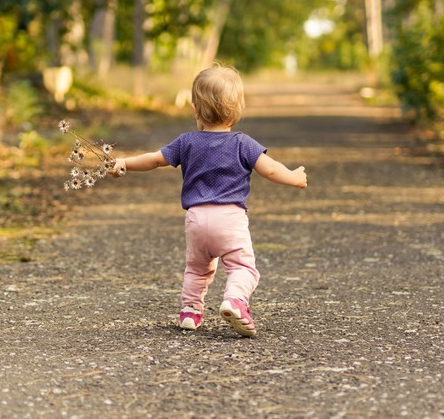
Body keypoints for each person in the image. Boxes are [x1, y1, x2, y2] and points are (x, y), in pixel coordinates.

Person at [110, 63, 307, 337]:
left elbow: (154, 160)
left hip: (196, 219)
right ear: (238, 108)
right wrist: (295, 176)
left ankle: (190, 311)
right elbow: (271, 169)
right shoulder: (243, 143)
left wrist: (124, 163)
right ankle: (235, 300)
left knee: (197, 270)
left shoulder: (186, 142)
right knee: (242, 267)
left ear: (194, 108)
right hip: (230, 220)